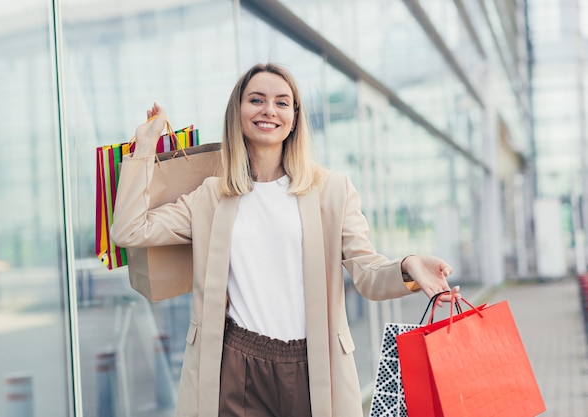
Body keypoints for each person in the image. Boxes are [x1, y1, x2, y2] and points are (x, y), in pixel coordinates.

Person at [111, 63, 459, 417]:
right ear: (238, 112)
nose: (268, 111)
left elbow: (367, 272)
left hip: (311, 365)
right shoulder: (211, 196)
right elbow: (129, 230)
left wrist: (407, 265)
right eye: (256, 100)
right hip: (233, 362)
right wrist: (144, 148)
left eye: (281, 102)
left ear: (294, 116)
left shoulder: (332, 191)